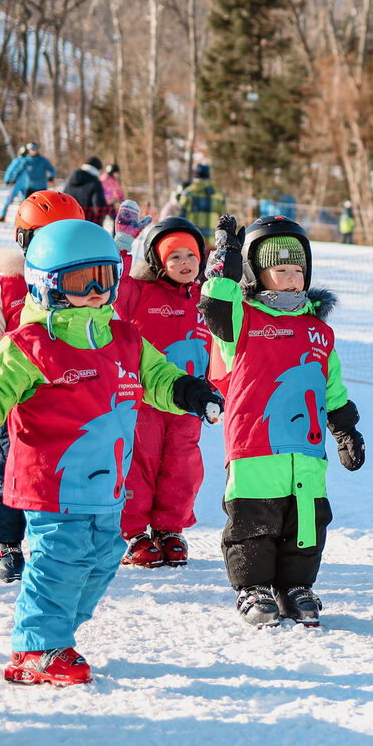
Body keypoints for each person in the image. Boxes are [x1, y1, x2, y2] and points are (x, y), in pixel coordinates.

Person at [0, 219, 224, 686]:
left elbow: (160, 379)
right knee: (58, 562)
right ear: (45, 284)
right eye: (77, 280)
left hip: (109, 488)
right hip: (53, 485)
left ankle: (58, 632)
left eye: (104, 278)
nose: (94, 291)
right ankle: (36, 648)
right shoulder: (31, 346)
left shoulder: (125, 340)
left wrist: (192, 392)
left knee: (104, 560)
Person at [199, 214, 365, 628]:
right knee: (253, 521)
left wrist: (345, 428)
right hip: (255, 446)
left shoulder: (317, 330)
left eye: (298, 270)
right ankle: (252, 587)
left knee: (307, 522)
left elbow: (332, 384)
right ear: (257, 273)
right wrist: (225, 264)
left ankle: (296, 586)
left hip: (307, 450)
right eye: (281, 269)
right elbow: (216, 308)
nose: (292, 278)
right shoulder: (243, 321)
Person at [0, 189, 87, 583]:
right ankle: (5, 540)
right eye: (46, 238)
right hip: (16, 399)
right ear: (25, 240)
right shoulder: (9, 285)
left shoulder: (82, 281)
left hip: (71, 396)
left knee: (72, 467)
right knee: (11, 468)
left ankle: (68, 543)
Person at [116, 217, 212, 568]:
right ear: (157, 262)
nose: (185, 263)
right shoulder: (141, 293)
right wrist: (123, 244)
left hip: (189, 401)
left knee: (182, 465)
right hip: (144, 399)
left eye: (191, 255)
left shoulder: (206, 297)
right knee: (140, 463)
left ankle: (170, 529)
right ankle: (133, 533)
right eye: (175, 257)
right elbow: (113, 284)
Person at [62, 156, 111, 225]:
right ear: (96, 170)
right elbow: (99, 206)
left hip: (68, 221)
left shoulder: (70, 181)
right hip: (87, 222)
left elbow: (63, 199)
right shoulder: (95, 183)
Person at [179, 163, 223, 232]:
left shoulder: (188, 193)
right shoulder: (218, 193)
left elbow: (181, 219)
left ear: (195, 176)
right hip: (213, 239)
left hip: (194, 238)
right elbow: (224, 219)